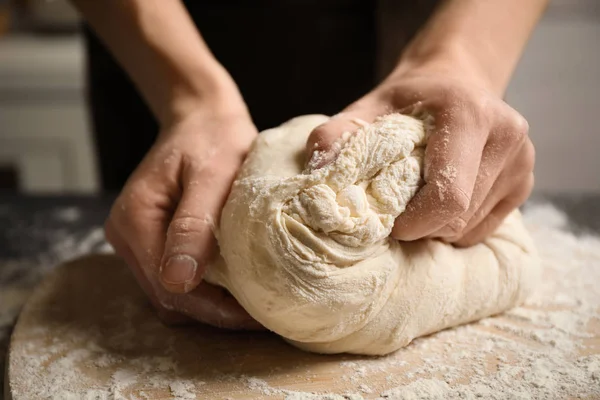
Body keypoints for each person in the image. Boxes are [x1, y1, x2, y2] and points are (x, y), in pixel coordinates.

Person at [70, 0, 548, 329]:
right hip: (187, 38)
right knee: (187, 224)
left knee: (453, 187)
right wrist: (189, 96)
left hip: (444, 37)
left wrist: (461, 57)